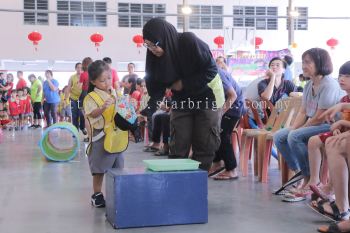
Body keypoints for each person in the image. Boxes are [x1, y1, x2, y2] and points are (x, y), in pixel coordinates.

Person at [143, 18, 223, 170]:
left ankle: (198, 184)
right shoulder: (154, 57)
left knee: (204, 145)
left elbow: (211, 70)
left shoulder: (188, 41)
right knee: (178, 144)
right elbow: (155, 87)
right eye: (148, 45)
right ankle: (179, 185)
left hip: (206, 98)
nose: (152, 49)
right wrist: (145, 110)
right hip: (181, 101)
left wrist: (184, 83)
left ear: (164, 37)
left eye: (155, 44)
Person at [273, 48, 343, 202]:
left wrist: (299, 130)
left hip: (330, 125)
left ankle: (310, 179)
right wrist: (294, 127)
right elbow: (303, 112)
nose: (304, 66)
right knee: (280, 136)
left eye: (308, 62)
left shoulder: (329, 84)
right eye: (303, 62)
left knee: (295, 136)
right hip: (314, 123)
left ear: (319, 63)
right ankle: (300, 172)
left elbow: (321, 117)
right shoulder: (308, 85)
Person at [83, 60, 124, 208]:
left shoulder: (114, 92)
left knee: (118, 166)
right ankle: (97, 195)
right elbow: (92, 114)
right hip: (101, 137)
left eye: (109, 78)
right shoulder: (90, 97)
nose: (107, 82)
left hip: (117, 135)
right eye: (102, 80)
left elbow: (121, 110)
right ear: (93, 81)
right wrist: (101, 108)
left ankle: (117, 192)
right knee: (99, 169)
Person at [209, 68, 245, 180]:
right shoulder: (206, 72)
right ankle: (217, 163)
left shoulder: (216, 73)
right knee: (213, 132)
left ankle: (232, 169)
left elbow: (232, 96)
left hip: (233, 108)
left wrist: (219, 114)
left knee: (222, 135)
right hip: (223, 106)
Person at [66, 63, 85, 132]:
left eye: (81, 67)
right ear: (75, 68)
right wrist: (66, 99)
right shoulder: (72, 77)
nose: (79, 69)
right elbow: (68, 88)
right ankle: (75, 130)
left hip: (83, 99)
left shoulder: (85, 76)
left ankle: (82, 127)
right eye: (78, 67)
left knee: (82, 114)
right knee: (74, 115)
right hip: (73, 98)